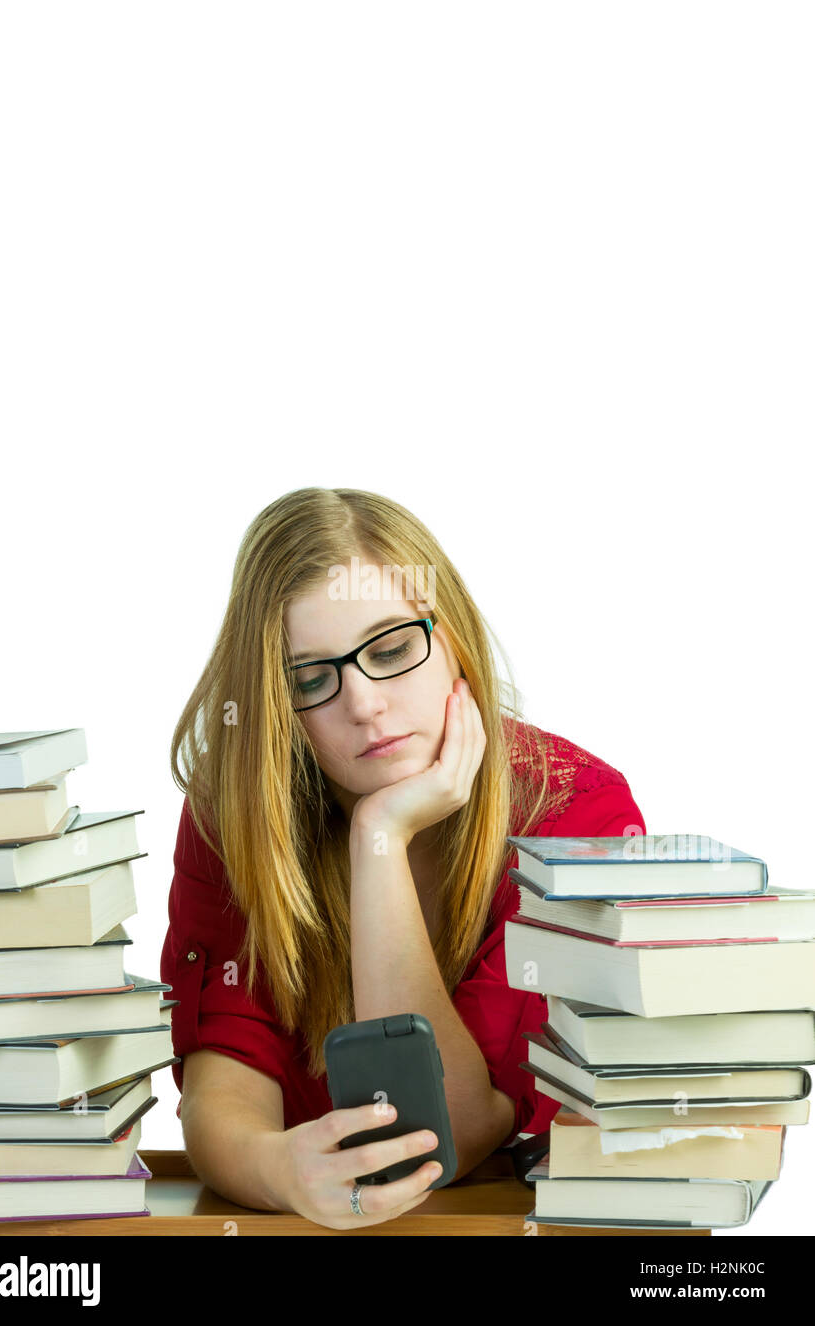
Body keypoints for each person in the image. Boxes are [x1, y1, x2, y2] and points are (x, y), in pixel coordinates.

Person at [160, 486, 646, 1229]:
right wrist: (276, 1169)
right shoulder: (236, 816)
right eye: (311, 678)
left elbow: (451, 1128)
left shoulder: (579, 815)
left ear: (452, 635)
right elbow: (225, 1079)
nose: (363, 704)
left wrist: (380, 838)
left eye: (390, 650)